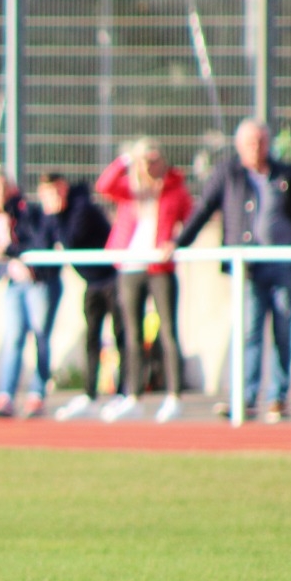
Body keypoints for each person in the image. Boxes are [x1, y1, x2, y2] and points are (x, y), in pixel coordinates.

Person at [172, 119, 291, 423]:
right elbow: (203, 209)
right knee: (249, 331)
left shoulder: (287, 174)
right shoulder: (229, 174)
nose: (256, 148)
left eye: (260, 142)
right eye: (250, 143)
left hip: (284, 264)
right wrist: (177, 243)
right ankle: (245, 398)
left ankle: (278, 399)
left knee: (282, 329)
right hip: (248, 267)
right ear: (239, 146)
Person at [95, 138, 190, 423]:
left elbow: (191, 218)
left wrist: (176, 242)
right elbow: (104, 186)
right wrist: (125, 160)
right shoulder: (130, 189)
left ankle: (174, 396)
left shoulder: (175, 189)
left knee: (168, 331)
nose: (149, 165)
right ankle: (133, 395)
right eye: (144, 160)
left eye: (154, 159)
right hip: (130, 267)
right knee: (131, 334)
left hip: (160, 267)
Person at [39, 173, 121, 421]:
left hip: (113, 279)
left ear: (62, 189)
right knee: (91, 337)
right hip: (92, 283)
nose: (50, 200)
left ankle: (123, 393)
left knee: (122, 336)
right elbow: (44, 241)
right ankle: (89, 394)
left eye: (53, 193)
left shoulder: (81, 207)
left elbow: (70, 238)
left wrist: (54, 215)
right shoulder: (56, 215)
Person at [0, 172, 60, 418]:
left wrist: (10, 249)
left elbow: (36, 240)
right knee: (13, 338)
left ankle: (37, 394)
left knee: (40, 336)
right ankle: (6, 396)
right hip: (14, 283)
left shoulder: (26, 211)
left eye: (3, 187)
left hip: (39, 281)